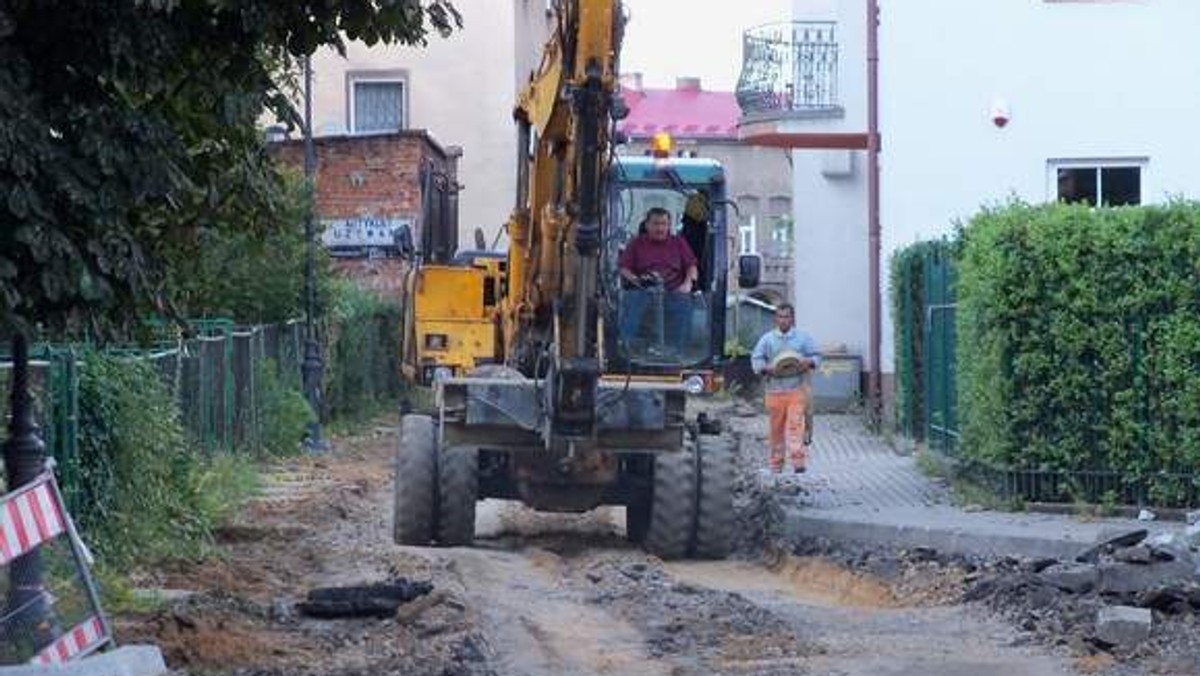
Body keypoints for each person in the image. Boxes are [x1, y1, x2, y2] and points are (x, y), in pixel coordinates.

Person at [751, 303, 821, 474]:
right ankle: (776, 464)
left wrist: (808, 362)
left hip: (796, 389)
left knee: (795, 426)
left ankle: (798, 463)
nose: (783, 320)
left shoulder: (803, 338)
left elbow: (817, 356)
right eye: (780, 317)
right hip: (774, 391)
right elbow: (756, 359)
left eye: (787, 317)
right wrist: (766, 368)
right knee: (776, 430)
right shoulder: (767, 339)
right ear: (776, 318)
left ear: (792, 318)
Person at [617, 207, 698, 350]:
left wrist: (687, 285)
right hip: (644, 291)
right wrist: (636, 280)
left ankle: (678, 350)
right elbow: (623, 268)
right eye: (655, 224)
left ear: (669, 226)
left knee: (685, 305)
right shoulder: (636, 243)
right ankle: (626, 346)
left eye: (664, 224)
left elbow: (691, 266)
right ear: (647, 225)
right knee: (632, 302)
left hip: (673, 292)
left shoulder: (678, 243)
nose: (660, 228)